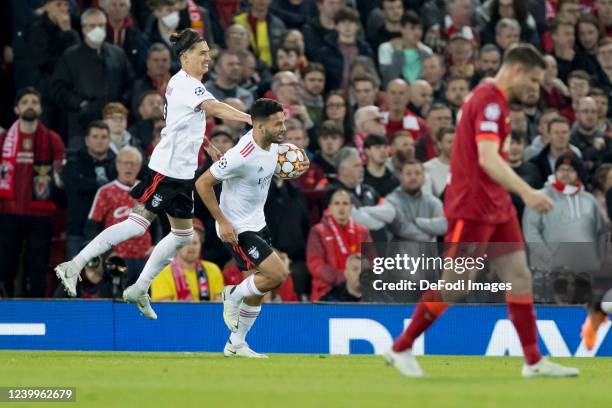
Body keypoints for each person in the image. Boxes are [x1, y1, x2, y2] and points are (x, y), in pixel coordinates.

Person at [385, 44, 579, 378]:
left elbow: (493, 154)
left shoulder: (492, 99)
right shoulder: (489, 101)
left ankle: (533, 361)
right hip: (472, 206)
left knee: (520, 277)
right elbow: (488, 159)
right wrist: (528, 192)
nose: (535, 88)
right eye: (532, 80)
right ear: (517, 71)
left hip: (496, 205)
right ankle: (401, 346)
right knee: (456, 285)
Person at [56, 29, 252, 319]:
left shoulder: (186, 83)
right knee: (137, 225)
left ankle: (139, 288)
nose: (208, 57)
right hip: (166, 171)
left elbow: (182, 122)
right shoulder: (186, 84)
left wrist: (206, 143)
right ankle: (74, 265)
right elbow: (212, 107)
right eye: (202, 53)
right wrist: (250, 118)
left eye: (209, 52)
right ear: (185, 57)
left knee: (183, 235)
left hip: (183, 174)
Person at [195, 98, 309, 357]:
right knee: (277, 275)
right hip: (237, 227)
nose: (283, 128)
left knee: (259, 288)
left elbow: (271, 167)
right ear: (259, 126)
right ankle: (232, 294)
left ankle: (236, 344)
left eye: (283, 122)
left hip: (258, 222)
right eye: (277, 123)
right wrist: (222, 221)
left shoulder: (274, 147)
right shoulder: (240, 155)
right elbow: (202, 184)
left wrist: (293, 169)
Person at [0, 87, 65, 297]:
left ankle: (36, 305)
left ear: (41, 108)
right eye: (25, 101)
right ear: (16, 108)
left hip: (41, 214)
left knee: (38, 264)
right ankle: (5, 303)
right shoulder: (3, 140)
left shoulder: (53, 140)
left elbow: (60, 178)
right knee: (6, 263)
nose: (30, 105)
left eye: (34, 102)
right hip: (9, 211)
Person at [51, 8, 134, 149]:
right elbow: (58, 88)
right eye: (92, 26)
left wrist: (120, 105)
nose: (97, 29)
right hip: (81, 127)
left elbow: (130, 82)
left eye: (101, 25)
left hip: (114, 126)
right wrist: (80, 103)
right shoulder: (70, 56)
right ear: (83, 28)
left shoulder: (117, 54)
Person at [86, 146, 152, 287]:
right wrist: (107, 253)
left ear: (139, 166)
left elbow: (158, 223)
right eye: (124, 163)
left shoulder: (147, 191)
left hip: (145, 256)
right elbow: (91, 227)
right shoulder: (105, 192)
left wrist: (155, 246)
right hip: (117, 257)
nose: (128, 167)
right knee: (118, 300)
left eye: (133, 163)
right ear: (117, 165)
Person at [306, 188, 371, 301]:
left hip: (359, 289)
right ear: (330, 207)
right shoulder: (318, 231)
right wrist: (343, 278)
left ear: (351, 207)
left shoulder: (362, 231)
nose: (341, 207)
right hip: (327, 290)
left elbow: (372, 260)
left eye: (345, 203)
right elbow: (315, 264)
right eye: (337, 203)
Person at [64, 121, 117, 259]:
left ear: (109, 140)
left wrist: (90, 185)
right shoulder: (73, 162)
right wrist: (107, 187)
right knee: (73, 276)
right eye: (95, 137)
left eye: (104, 137)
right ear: (87, 140)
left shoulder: (117, 163)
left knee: (109, 276)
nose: (100, 141)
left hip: (109, 231)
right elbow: (76, 187)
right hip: (78, 228)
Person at [150, 219, 224, 301]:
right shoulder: (161, 273)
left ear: (200, 244)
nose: (191, 247)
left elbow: (219, 305)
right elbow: (165, 309)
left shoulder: (213, 270)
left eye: (195, 243)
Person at [424, 127, 455, 198]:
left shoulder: (466, 168)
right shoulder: (427, 168)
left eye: (457, 141)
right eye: (449, 142)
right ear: (439, 144)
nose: (454, 145)